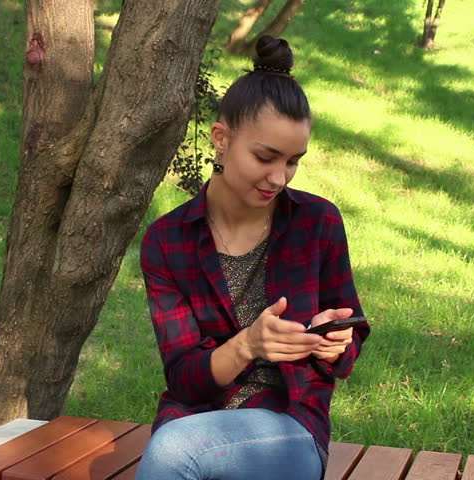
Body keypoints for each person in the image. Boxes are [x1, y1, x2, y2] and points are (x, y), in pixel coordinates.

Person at [136, 35, 370, 480]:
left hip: (290, 425)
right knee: (179, 448)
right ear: (221, 139)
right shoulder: (167, 241)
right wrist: (248, 345)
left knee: (175, 452)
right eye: (266, 157)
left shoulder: (317, 224)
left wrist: (336, 341)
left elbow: (348, 346)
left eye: (294, 161)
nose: (279, 177)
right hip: (196, 419)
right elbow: (184, 378)